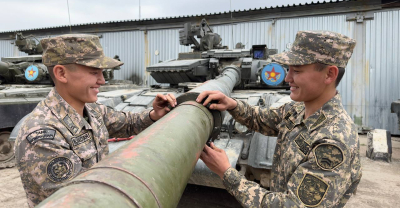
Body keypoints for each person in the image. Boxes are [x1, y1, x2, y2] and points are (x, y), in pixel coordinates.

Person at [197, 31, 362, 207]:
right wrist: (232, 105)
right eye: (288, 69)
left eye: (297, 71)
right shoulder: (298, 109)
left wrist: (226, 172)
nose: (288, 77)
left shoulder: (334, 142)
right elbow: (261, 119)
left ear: (329, 74)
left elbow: (291, 205)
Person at [14, 34, 176, 207]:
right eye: (94, 72)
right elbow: (78, 200)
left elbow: (128, 123)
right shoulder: (42, 135)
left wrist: (154, 114)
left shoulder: (91, 109)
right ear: (61, 73)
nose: (102, 80)